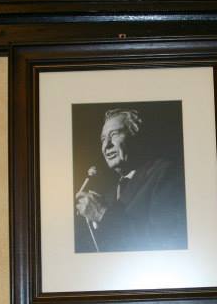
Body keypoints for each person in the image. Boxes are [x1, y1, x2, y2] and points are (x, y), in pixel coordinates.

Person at [74, 108, 187, 252]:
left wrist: (102, 214)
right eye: (103, 139)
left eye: (114, 134)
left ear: (137, 137)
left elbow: (165, 242)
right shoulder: (109, 195)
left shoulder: (165, 173)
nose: (107, 145)